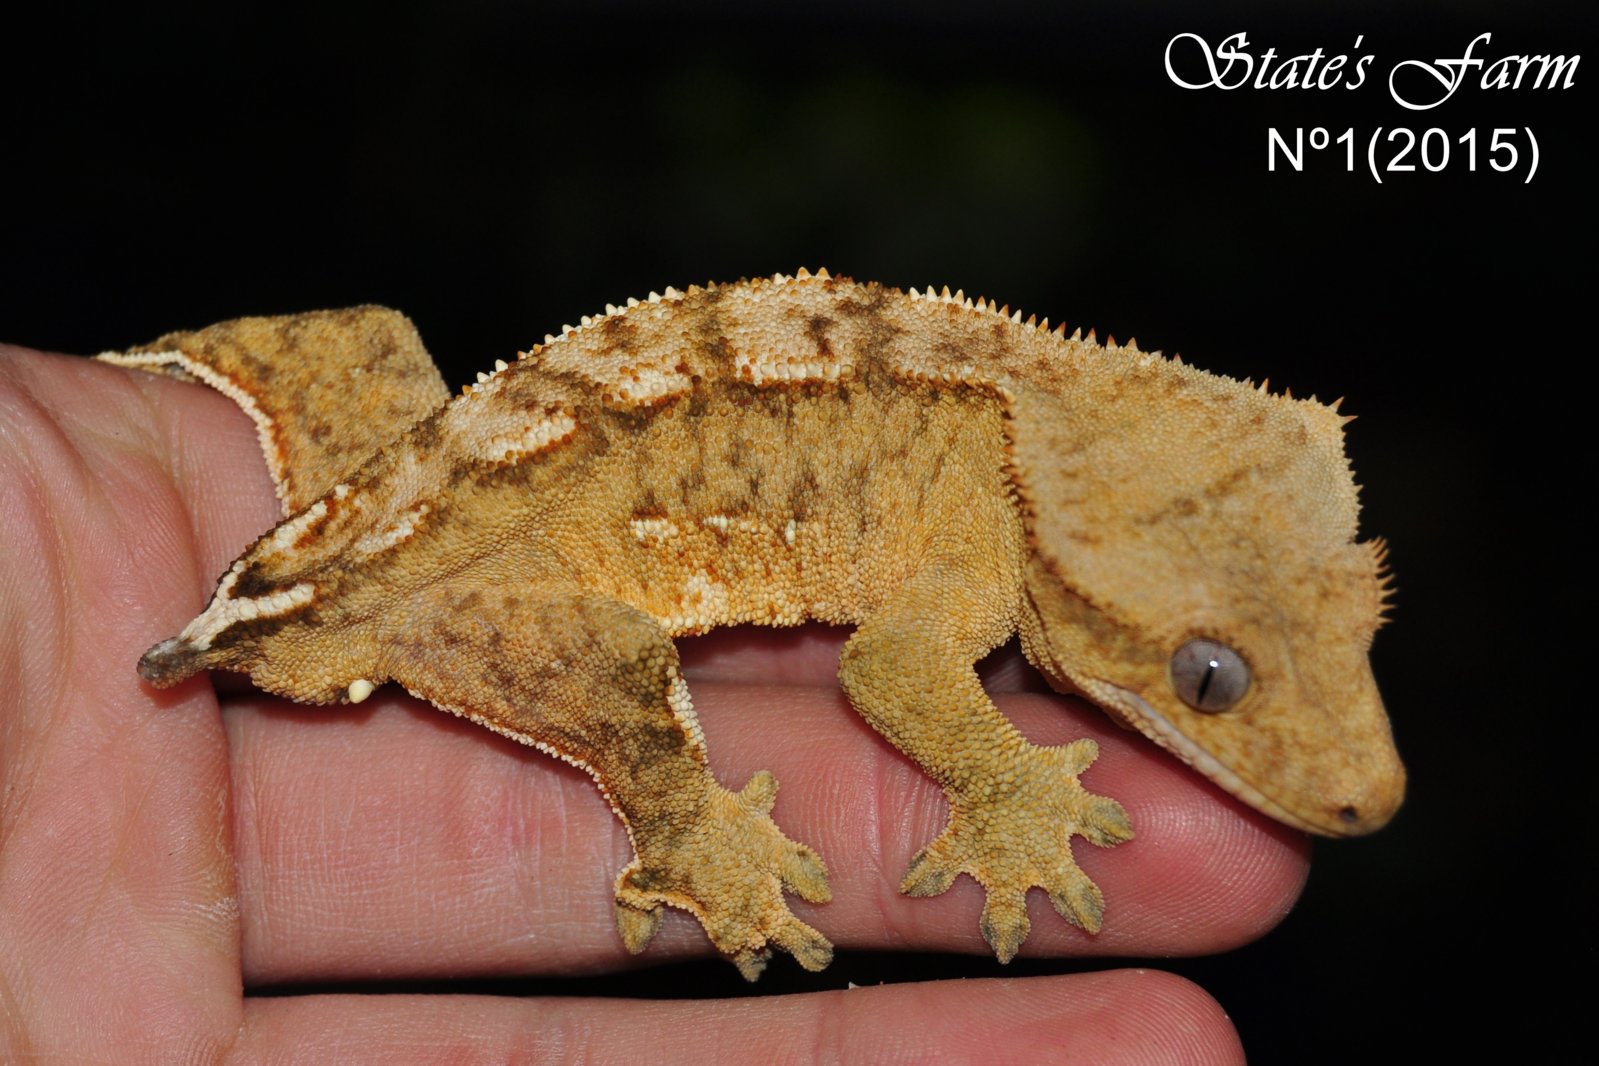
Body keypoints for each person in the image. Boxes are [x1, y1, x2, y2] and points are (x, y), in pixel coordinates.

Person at [0, 341, 1306, 1063]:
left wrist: (82, 449)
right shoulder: (991, 539)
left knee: (370, 346)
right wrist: (1005, 784)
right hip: (440, 579)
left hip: (454, 467)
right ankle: (680, 841)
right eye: (1204, 679)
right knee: (622, 663)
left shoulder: (1023, 454)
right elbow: (888, 672)